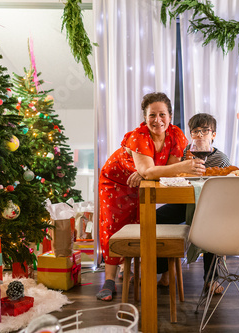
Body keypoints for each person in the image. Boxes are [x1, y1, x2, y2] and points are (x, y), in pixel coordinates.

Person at [97, 92, 206, 301]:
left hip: (142, 182)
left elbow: (166, 169)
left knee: (140, 221)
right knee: (113, 225)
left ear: (170, 116)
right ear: (145, 118)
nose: (158, 120)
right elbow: (166, 169)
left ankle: (128, 269)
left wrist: (147, 171)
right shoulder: (138, 136)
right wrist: (149, 171)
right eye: (152, 115)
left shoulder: (175, 134)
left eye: (162, 114)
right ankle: (109, 280)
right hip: (115, 182)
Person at [156, 113, 231, 295]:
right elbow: (179, 178)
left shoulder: (221, 159)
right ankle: (165, 269)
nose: (200, 135)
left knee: (212, 226)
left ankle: (211, 278)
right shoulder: (186, 153)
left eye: (205, 131)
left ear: (213, 134)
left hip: (210, 207)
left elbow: (226, 188)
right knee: (157, 217)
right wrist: (186, 165)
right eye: (196, 131)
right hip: (186, 202)